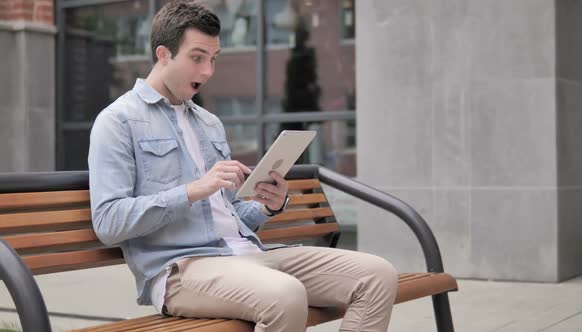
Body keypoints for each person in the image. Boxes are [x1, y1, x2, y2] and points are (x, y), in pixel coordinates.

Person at [88, 1, 397, 331]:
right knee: (286, 295)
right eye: (197, 58)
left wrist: (266, 208)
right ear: (163, 55)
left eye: (213, 59)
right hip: (183, 269)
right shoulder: (119, 121)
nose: (208, 71)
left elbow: (228, 214)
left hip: (250, 254)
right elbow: (108, 222)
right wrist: (192, 191)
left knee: (377, 275)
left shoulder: (209, 123)